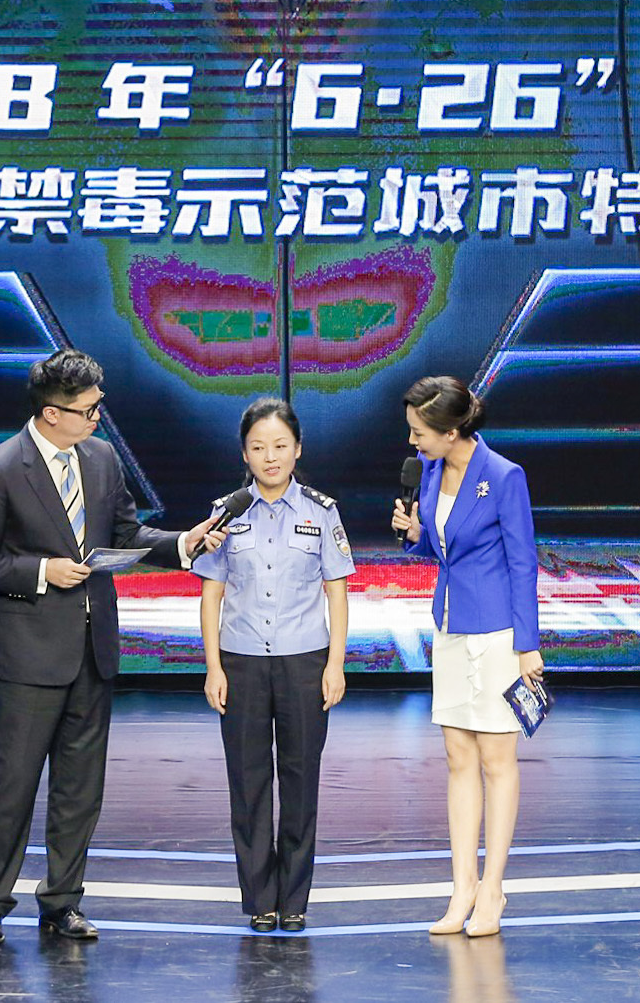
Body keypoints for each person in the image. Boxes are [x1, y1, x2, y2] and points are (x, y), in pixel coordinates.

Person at [0, 348, 230, 945]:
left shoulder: (100, 458)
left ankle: (62, 901)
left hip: (92, 649)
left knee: (80, 787)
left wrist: (185, 543)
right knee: (14, 784)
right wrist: (40, 571)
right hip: (29, 652)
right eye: (87, 409)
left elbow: (126, 533)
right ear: (51, 413)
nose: (97, 417)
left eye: (98, 406)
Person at [388, 374, 542, 939]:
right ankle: (463, 889)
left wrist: (527, 645)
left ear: (451, 431)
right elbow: (444, 546)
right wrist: (415, 534)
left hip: (499, 632)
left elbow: (523, 561)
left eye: (419, 432)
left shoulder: (503, 476)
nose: (413, 442)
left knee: (496, 761)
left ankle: (493, 889)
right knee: (458, 758)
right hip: (451, 626)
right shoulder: (430, 472)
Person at [193, 396, 353, 933]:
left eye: (280, 445)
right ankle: (260, 899)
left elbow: (336, 591)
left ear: (298, 448)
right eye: (259, 447)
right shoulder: (225, 512)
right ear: (244, 453)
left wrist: (336, 664)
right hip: (240, 662)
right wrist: (213, 667)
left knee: (301, 782)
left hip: (305, 662)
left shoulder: (321, 511)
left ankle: (294, 900)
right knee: (248, 782)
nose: (270, 457)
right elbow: (211, 595)